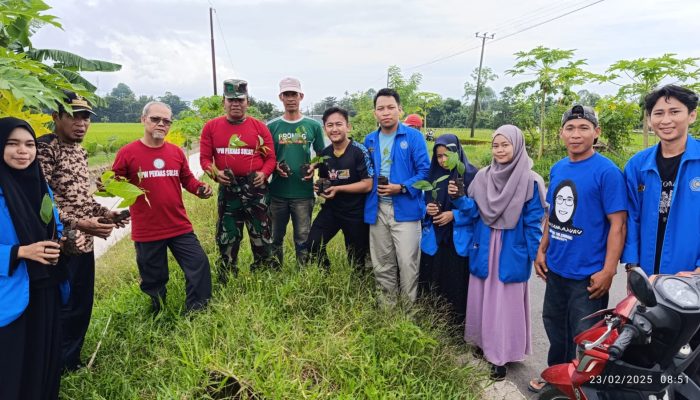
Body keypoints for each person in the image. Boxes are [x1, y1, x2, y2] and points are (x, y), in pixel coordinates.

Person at [529, 105, 627, 392]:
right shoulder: (559, 168)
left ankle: (581, 388)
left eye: (584, 128)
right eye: (570, 128)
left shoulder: (607, 172)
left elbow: (617, 224)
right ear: (561, 134)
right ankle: (554, 378)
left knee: (585, 338)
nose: (576, 134)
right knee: (556, 330)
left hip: (588, 277)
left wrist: (609, 270)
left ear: (596, 132)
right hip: (557, 269)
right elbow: (553, 215)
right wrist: (542, 248)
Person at [37, 90, 125, 372]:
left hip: (83, 243)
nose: (81, 123)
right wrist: (77, 223)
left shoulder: (79, 151)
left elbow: (82, 198)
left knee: (80, 303)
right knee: (59, 304)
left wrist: (105, 213)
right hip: (56, 244)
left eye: (86, 117)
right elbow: (40, 201)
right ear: (56, 117)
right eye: (74, 117)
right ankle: (54, 364)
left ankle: (70, 362)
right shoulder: (45, 149)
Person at [453, 125, 546, 380]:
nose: (500, 150)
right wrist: (459, 198)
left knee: (505, 302)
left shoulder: (530, 180)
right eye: (496, 145)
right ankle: (482, 343)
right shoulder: (483, 177)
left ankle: (501, 356)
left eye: (506, 144)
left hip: (510, 248)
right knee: (481, 295)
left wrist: (537, 255)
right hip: (484, 245)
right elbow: (472, 211)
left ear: (517, 146)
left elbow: (533, 223)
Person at [113, 101, 213, 314]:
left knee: (199, 265)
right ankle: (159, 310)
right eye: (155, 119)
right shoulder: (127, 153)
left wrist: (201, 189)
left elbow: (188, 180)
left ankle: (197, 311)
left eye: (166, 121)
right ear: (143, 120)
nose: (161, 124)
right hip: (147, 229)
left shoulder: (176, 153)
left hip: (178, 225)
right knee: (154, 278)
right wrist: (109, 186)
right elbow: (115, 183)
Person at [0, 117, 73, 399]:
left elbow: (52, 228)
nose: (23, 151)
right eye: (12, 144)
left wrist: (62, 243)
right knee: (12, 371)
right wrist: (19, 252)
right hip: (11, 296)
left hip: (46, 291)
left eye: (29, 144)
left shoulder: (42, 188)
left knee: (43, 366)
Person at [200, 79, 278, 280]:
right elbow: (205, 159)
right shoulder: (211, 127)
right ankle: (227, 275)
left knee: (261, 234)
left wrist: (265, 173)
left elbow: (270, 158)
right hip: (229, 188)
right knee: (228, 236)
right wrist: (214, 174)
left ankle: (263, 275)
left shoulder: (259, 127)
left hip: (256, 189)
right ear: (223, 102)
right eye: (231, 100)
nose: (236, 104)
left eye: (240, 100)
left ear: (247, 102)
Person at [622, 85, 699, 275]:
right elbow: (631, 217)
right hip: (645, 274)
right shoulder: (637, 165)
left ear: (692, 115)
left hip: (692, 276)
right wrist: (632, 265)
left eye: (674, 112)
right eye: (658, 113)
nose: (666, 120)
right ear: (649, 120)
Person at [364, 88, 430, 304]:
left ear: (400, 110)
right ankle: (388, 312)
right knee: (382, 263)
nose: (386, 112)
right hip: (377, 209)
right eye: (380, 108)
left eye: (391, 107)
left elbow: (425, 172)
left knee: (407, 263)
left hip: (406, 210)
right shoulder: (370, 140)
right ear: (375, 113)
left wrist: (401, 187)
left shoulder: (413, 137)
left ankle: (409, 314)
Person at [419, 133, 477, 328]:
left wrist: (454, 215)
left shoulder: (470, 175)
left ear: (457, 153)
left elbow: (479, 210)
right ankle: (433, 323)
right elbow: (422, 203)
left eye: (447, 155)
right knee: (433, 280)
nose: (443, 160)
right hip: (435, 238)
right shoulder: (432, 175)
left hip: (458, 240)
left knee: (455, 283)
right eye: (439, 156)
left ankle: (455, 327)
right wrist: (428, 210)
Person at [305, 107, 373, 270]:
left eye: (339, 124)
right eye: (330, 125)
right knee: (313, 243)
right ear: (325, 129)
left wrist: (338, 189)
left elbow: (367, 184)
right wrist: (320, 188)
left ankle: (358, 288)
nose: (334, 129)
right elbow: (325, 179)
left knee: (356, 259)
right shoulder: (324, 154)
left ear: (348, 127)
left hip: (355, 212)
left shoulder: (359, 151)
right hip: (332, 210)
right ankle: (325, 273)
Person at [267, 77, 325, 265]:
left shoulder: (313, 126)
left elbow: (321, 155)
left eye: (294, 94)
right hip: (277, 192)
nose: (290, 98)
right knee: (275, 236)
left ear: (301, 96)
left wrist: (313, 167)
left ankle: (304, 271)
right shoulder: (272, 126)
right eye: (286, 94)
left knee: (302, 237)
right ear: (280, 97)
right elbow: (266, 157)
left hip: (303, 192)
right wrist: (275, 166)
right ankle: (275, 271)